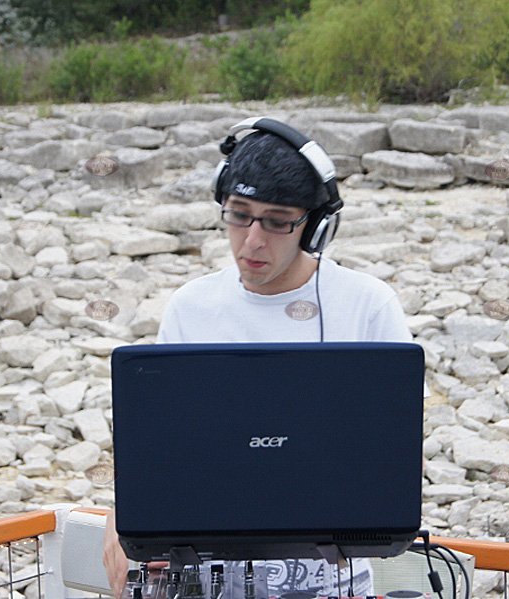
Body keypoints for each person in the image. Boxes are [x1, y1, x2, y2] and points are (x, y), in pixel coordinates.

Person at [103, 117, 416, 599]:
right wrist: (124, 515)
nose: (252, 240)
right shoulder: (191, 307)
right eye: (239, 215)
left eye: (276, 221)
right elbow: (161, 450)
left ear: (315, 227)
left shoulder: (369, 305)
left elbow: (393, 460)